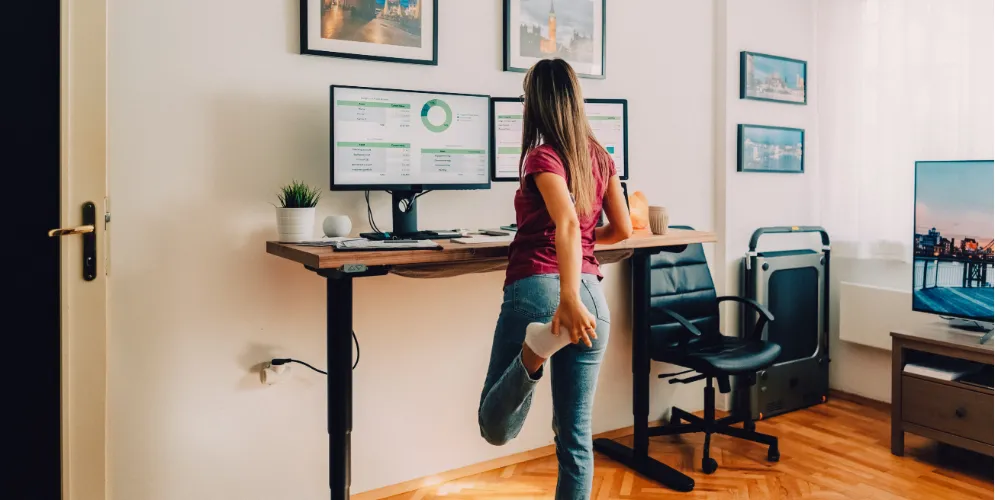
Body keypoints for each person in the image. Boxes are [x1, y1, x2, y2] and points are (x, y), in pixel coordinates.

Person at [477, 58, 633, 499]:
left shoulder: (541, 155)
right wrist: (584, 249)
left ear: (536, 104)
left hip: (543, 291)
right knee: (575, 439)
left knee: (494, 427)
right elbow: (620, 230)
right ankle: (539, 344)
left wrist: (566, 296)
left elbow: (564, 222)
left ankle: (534, 351)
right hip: (594, 301)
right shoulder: (601, 157)